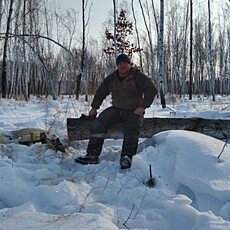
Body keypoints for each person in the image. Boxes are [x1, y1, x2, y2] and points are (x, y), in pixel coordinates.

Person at [75, 54, 158, 169]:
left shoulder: (137, 76)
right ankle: (92, 155)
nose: (122, 65)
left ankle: (127, 157)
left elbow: (151, 89)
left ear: (129, 64)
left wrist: (143, 106)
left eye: (125, 63)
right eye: (120, 64)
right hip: (116, 109)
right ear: (117, 66)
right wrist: (94, 107)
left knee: (132, 129)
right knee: (99, 122)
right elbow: (101, 91)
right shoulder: (112, 78)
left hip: (133, 111)